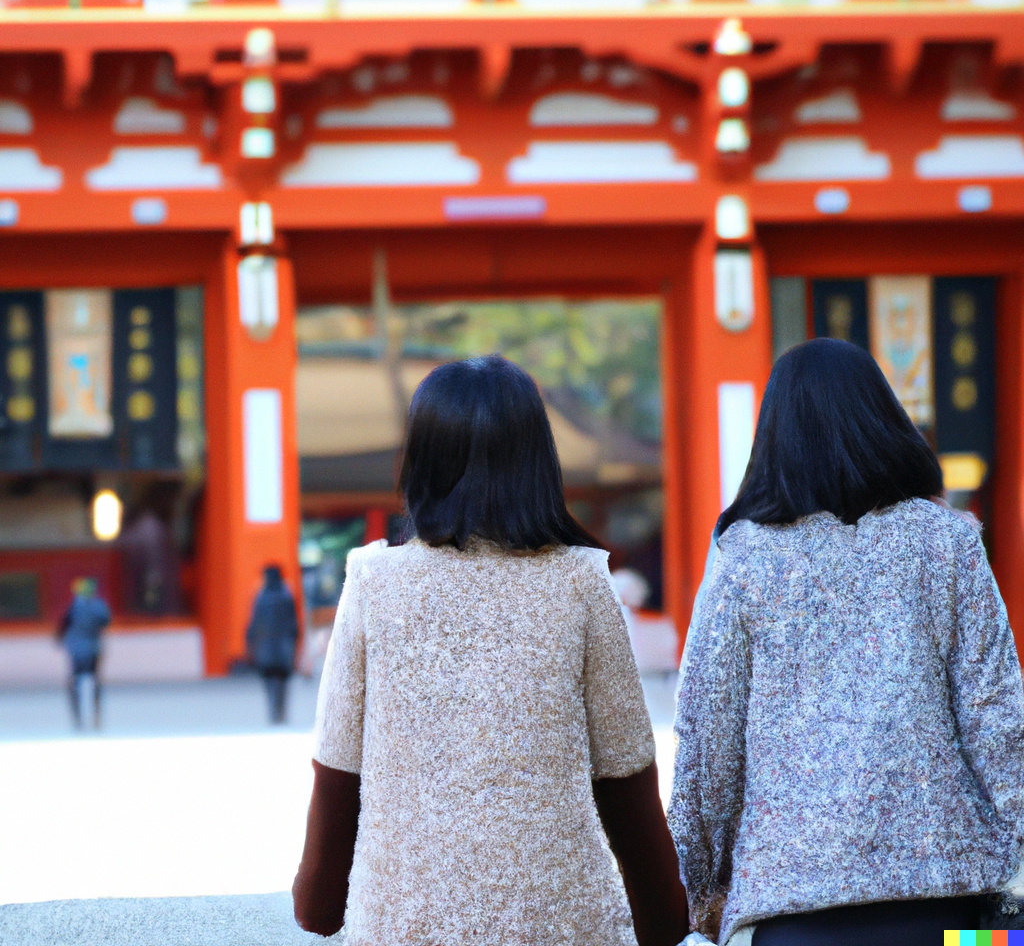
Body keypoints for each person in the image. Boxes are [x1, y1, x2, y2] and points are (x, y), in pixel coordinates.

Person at [293, 355, 689, 946]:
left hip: (404, 922)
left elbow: (338, 765)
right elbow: (625, 770)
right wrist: (664, 914)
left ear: (421, 460)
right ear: (537, 461)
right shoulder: (580, 581)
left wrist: (319, 900)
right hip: (560, 921)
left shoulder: (373, 580)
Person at [668, 338, 1024, 946]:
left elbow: (708, 744)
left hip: (789, 918)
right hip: (951, 917)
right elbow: (999, 720)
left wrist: (696, 888)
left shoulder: (743, 558)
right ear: (885, 420)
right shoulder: (948, 543)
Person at [246, 565, 299, 724]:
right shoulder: (286, 595)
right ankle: (281, 711)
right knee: (283, 681)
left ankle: (273, 711)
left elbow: (254, 622)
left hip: (265, 645)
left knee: (269, 680)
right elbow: (294, 622)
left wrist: (250, 642)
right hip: (284, 645)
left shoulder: (261, 596)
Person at [58, 577, 111, 730]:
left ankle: (79, 718)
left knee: (75, 683)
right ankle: (96, 716)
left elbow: (64, 624)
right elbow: (105, 621)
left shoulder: (75, 606)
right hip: (93, 648)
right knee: (95, 681)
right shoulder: (98, 605)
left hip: (78, 650)